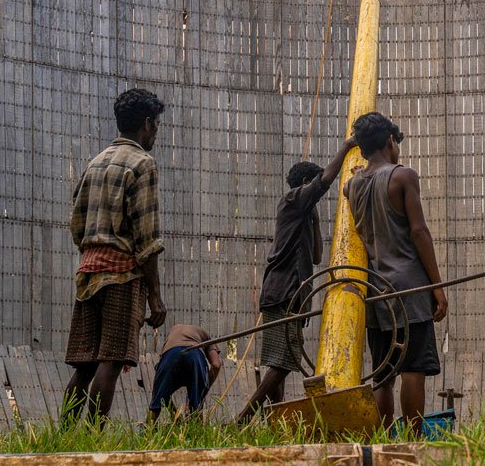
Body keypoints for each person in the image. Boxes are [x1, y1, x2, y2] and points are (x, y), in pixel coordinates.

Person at [61, 88, 168, 423]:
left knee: (85, 364)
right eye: (156, 125)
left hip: (88, 273)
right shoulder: (142, 164)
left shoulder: (95, 163)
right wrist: (155, 297)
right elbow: (146, 240)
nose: (156, 132)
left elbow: (76, 227)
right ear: (147, 124)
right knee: (111, 360)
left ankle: (64, 438)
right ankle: (93, 439)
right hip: (122, 276)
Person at [239, 137, 358, 420]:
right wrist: (347, 146)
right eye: (312, 185)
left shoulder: (302, 215)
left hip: (289, 295)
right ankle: (243, 418)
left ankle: (274, 423)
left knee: (279, 362)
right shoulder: (292, 200)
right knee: (283, 363)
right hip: (284, 292)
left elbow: (317, 256)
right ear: (305, 182)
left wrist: (314, 217)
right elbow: (325, 180)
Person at [344, 111, 447, 432]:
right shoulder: (403, 176)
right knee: (413, 368)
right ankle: (412, 442)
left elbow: (352, 182)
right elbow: (419, 232)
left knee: (382, 374)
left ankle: (385, 441)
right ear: (390, 141)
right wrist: (437, 287)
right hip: (408, 287)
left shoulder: (351, 187)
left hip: (375, 290)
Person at [147, 323, 224, 421]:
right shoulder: (206, 336)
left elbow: (164, 393)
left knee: (156, 403)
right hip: (195, 355)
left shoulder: (172, 333)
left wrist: (174, 415)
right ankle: (196, 432)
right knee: (196, 407)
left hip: (170, 355)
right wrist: (203, 389)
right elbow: (216, 365)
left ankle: (145, 433)